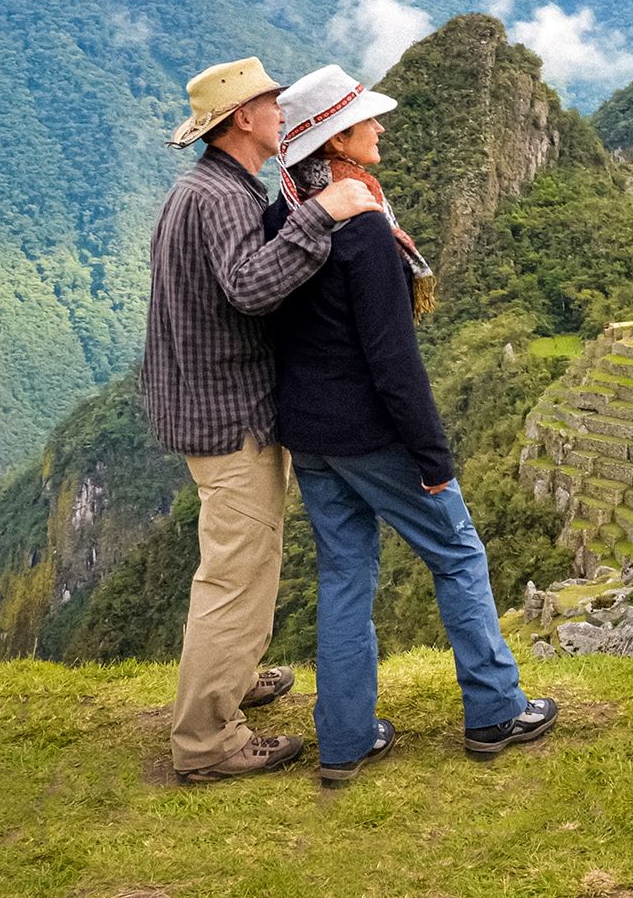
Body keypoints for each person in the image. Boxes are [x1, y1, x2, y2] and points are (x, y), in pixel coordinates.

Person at [262, 66, 557, 785]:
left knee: (343, 575)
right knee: (458, 552)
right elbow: (394, 361)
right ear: (337, 142)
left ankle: (345, 736)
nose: (381, 128)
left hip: (311, 436)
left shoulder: (284, 217)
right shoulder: (362, 231)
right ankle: (493, 709)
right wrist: (432, 453)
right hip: (372, 434)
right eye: (367, 121)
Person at [143, 57, 383, 785]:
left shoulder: (207, 188)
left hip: (202, 404)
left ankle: (230, 676)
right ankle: (207, 739)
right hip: (228, 414)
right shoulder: (221, 197)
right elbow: (250, 287)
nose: (282, 113)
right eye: (272, 103)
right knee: (236, 575)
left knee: (244, 562)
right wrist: (323, 213)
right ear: (241, 118)